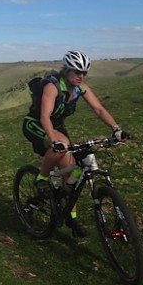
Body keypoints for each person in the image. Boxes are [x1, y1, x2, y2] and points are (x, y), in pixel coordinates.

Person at [22, 50, 128, 237]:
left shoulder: (80, 88)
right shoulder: (53, 86)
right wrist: (54, 140)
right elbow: (45, 116)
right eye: (77, 72)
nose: (81, 76)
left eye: (84, 73)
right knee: (61, 143)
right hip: (36, 124)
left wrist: (116, 129)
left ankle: (71, 216)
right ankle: (42, 178)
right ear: (67, 69)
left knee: (72, 173)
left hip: (57, 127)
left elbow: (98, 108)